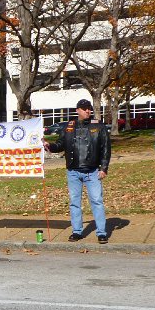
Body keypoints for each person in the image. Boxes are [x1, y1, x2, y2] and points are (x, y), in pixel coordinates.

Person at [43, 98, 111, 244]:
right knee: (74, 202)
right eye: (84, 108)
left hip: (92, 171)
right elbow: (61, 144)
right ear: (77, 110)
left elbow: (105, 148)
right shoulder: (69, 126)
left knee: (97, 201)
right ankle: (77, 231)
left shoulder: (98, 126)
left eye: (89, 108)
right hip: (73, 171)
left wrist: (104, 168)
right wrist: (50, 145)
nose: (87, 111)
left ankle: (101, 233)